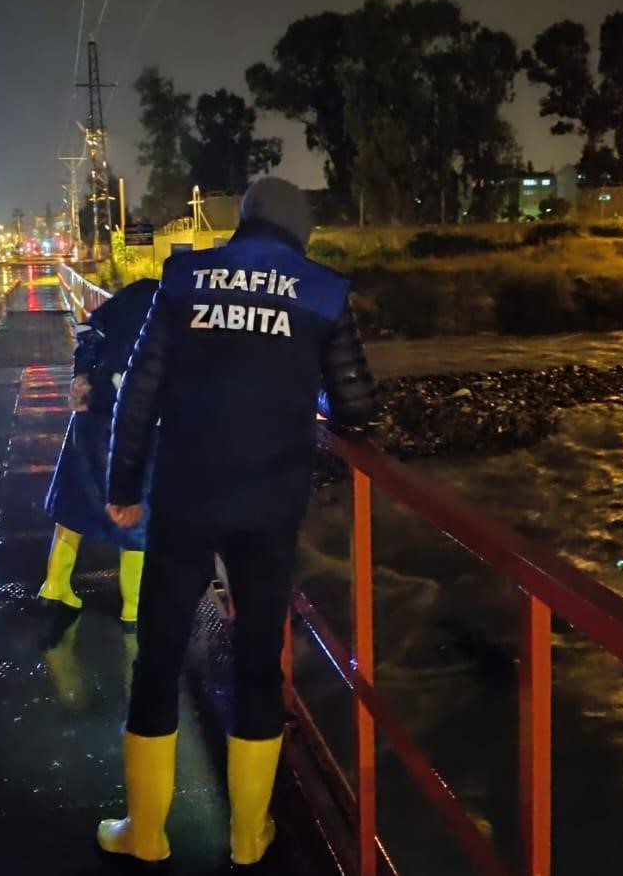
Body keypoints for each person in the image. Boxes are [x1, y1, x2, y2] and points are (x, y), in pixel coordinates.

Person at [96, 177, 376, 865]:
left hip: (187, 498)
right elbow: (358, 406)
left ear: (243, 223)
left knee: (158, 656)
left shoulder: (185, 278)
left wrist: (123, 485)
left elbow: (141, 390)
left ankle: (147, 832)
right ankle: (250, 836)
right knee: (257, 664)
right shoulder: (321, 291)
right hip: (268, 507)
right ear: (299, 231)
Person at [37, 275, 159, 626]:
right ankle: (134, 607)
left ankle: (54, 584)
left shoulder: (127, 298)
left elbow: (88, 332)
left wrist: (81, 377)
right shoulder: (173, 307)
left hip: (95, 411)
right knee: (138, 513)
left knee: (76, 500)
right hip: (140, 423)